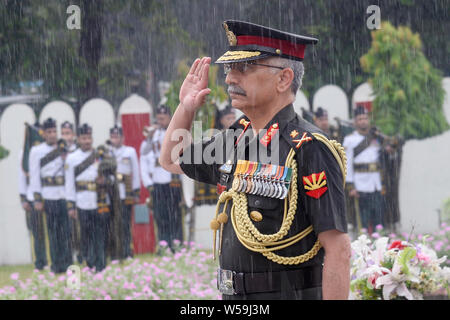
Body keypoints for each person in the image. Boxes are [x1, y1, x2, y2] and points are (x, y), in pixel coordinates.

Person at [160, 20, 350, 300]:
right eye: (229, 68)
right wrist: (186, 108)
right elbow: (171, 159)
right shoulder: (237, 137)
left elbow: (338, 249)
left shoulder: (309, 147)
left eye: (244, 68)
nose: (229, 79)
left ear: (283, 79)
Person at [28, 118, 72, 273]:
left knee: (67, 233)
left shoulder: (64, 148)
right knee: (53, 234)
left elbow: (70, 172)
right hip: (49, 195)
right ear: (44, 134)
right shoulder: (36, 151)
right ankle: (56, 266)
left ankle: (68, 266)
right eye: (49, 132)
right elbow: (34, 175)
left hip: (64, 195)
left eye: (54, 131)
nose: (52, 135)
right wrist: (37, 198)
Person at [140, 105, 183, 253]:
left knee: (175, 215)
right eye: (158, 118)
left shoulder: (175, 134)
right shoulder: (152, 136)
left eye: (163, 118)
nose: (160, 121)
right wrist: (148, 184)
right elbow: (144, 156)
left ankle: (177, 244)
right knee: (161, 216)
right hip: (158, 181)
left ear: (169, 118)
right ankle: (164, 244)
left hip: (173, 180)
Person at [65, 124, 106, 272]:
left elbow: (108, 175)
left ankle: (101, 265)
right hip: (81, 201)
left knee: (99, 235)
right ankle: (89, 263)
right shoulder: (72, 158)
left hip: (98, 200)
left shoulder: (99, 155)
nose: (87, 141)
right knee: (85, 236)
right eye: (83, 138)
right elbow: (69, 183)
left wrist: (104, 181)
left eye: (89, 137)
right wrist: (71, 205)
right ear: (78, 139)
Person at [343, 105, 384, 233]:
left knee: (379, 221)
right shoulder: (349, 140)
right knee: (363, 223)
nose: (363, 121)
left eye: (365, 118)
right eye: (360, 119)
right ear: (355, 122)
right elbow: (347, 163)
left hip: (376, 183)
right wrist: (351, 185)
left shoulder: (376, 137)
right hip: (361, 185)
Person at [109, 125, 140, 259]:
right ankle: (116, 253)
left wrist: (136, 191)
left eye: (116, 137)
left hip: (125, 191)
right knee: (112, 224)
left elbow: (136, 172)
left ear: (122, 138)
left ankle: (127, 251)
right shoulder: (107, 152)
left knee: (125, 224)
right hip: (112, 192)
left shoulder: (129, 151)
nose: (114, 140)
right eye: (112, 137)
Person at [60, 121, 82, 263]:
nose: (65, 137)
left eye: (68, 133)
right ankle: (66, 256)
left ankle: (79, 254)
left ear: (73, 135)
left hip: (76, 193)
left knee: (77, 228)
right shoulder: (57, 151)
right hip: (59, 194)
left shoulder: (78, 151)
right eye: (63, 134)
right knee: (63, 228)